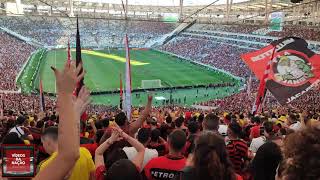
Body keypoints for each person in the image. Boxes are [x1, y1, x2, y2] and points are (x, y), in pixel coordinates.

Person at [34, 60, 86, 180]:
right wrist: (65, 93)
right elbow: (69, 155)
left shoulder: (44, 165)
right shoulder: (85, 153)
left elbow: (69, 156)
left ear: (47, 142)